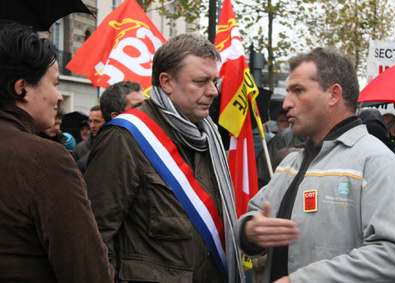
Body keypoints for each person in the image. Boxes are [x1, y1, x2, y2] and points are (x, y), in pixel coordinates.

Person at [235, 47, 395, 282]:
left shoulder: (378, 163)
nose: (287, 103)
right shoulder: (290, 162)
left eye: (298, 91)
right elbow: (250, 217)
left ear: (333, 95)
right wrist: (250, 231)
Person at [84, 34, 244, 282]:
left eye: (214, 80)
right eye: (201, 81)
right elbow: (95, 235)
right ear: (167, 82)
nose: (213, 91)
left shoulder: (207, 134)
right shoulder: (124, 137)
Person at [0, 20, 113, 282]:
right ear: (22, 88)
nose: (59, 96)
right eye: (54, 83)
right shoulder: (45, 159)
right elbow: (88, 271)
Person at [76, 80, 145, 174]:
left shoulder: (154, 149)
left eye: (145, 105)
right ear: (117, 117)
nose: (146, 111)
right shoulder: (90, 164)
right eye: (138, 106)